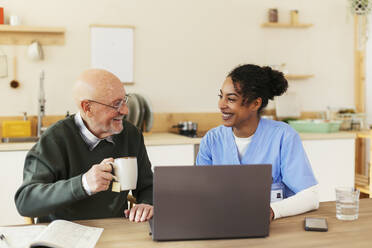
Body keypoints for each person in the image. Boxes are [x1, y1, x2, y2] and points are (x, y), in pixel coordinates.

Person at [15, 69, 153, 223]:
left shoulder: (131, 135)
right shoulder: (55, 139)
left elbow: (148, 186)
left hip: (116, 232)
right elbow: (25, 201)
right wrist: (83, 184)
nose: (125, 110)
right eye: (116, 104)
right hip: (64, 234)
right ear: (87, 108)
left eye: (124, 100)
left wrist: (146, 204)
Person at [196, 64, 319, 220]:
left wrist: (272, 211)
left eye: (231, 99)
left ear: (255, 103)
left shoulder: (283, 136)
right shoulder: (212, 140)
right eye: (221, 96)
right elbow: (199, 194)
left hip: (277, 231)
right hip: (223, 227)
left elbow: (311, 197)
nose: (221, 105)